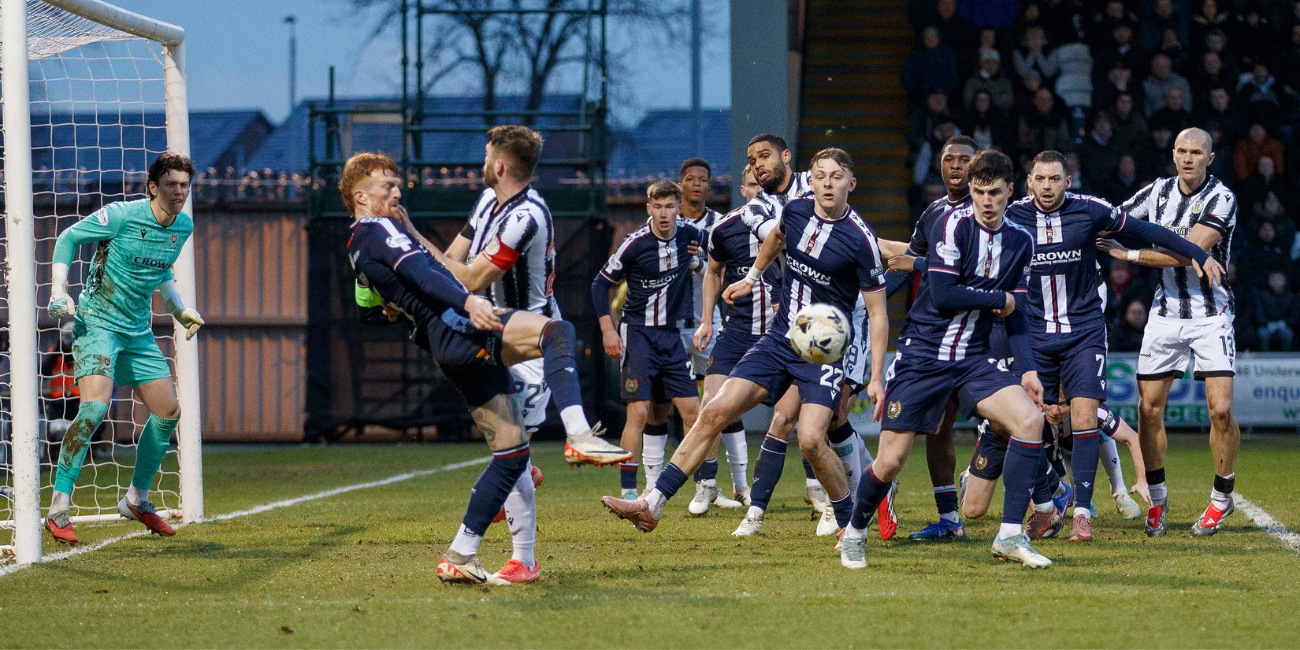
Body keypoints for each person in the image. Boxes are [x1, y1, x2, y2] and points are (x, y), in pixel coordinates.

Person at [601, 148, 890, 540]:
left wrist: (875, 377)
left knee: (809, 439)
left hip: (823, 351)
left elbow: (877, 312)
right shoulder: (798, 211)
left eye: (835, 177)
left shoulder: (860, 239)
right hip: (778, 339)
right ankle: (652, 504)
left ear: (850, 184)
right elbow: (776, 238)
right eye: (820, 175)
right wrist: (752, 278)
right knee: (714, 410)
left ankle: (848, 520)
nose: (826, 183)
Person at [346, 152, 562, 585]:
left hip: (447, 338)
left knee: (514, 451)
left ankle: (465, 554)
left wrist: (394, 306)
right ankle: (578, 434)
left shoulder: (361, 240)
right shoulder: (379, 227)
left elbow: (369, 306)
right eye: (386, 185)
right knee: (559, 337)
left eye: (397, 183)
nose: (397, 190)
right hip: (466, 330)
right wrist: (467, 300)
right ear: (360, 196)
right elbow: (424, 275)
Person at [841, 150, 1051, 569]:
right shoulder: (952, 226)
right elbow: (943, 293)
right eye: (978, 192)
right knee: (891, 460)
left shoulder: (1021, 241)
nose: (986, 201)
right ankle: (854, 532)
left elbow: (1018, 315)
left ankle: (1010, 536)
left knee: (1031, 420)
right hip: (924, 356)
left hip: (973, 359)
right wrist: (1002, 299)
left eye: (994, 192)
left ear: (1011, 190)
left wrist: (1027, 368)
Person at [1005, 149, 1220, 541]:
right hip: (1035, 334)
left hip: (1084, 332)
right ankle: (1048, 505)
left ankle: (1082, 514)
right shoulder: (1012, 215)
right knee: (1036, 421)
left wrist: (1195, 252)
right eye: (1041, 179)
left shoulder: (1090, 209)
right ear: (1030, 182)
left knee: (1085, 417)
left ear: (1068, 182)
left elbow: (1145, 230)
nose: (1048, 186)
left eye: (1056, 179)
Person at [426, 125, 630, 467]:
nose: (483, 163)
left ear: (501, 166)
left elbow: (472, 277)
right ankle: (562, 449)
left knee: (513, 451)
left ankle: (572, 441)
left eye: (488, 157)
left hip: (528, 339)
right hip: (489, 324)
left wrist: (414, 241)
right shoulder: (489, 199)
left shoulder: (526, 216)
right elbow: (453, 259)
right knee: (511, 455)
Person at [42, 152, 205, 546]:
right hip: (97, 323)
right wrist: (59, 292)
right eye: (171, 184)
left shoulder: (183, 226)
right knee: (95, 407)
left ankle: (136, 499)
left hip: (137, 330)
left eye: (184, 184)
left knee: (168, 412)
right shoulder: (122, 215)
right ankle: (58, 507)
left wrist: (178, 308)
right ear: (153, 187)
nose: (179, 191)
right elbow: (67, 238)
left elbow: (161, 268)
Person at [1100, 127, 1241, 537]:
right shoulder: (1157, 192)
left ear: (1210, 158)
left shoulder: (1222, 198)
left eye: (1196, 152)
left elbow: (1187, 251)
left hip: (1211, 312)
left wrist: (1125, 252)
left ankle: (1221, 497)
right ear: (1173, 153)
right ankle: (1158, 499)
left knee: (1219, 409)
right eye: (1181, 150)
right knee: (1148, 409)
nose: (1188, 157)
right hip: (1165, 316)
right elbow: (1115, 219)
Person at [879, 135, 978, 541]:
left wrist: (917, 261)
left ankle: (1053, 495)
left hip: (978, 338)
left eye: (964, 160)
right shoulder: (933, 212)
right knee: (937, 430)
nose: (955, 166)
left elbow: (970, 267)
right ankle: (950, 519)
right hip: (931, 337)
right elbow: (902, 269)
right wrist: (868, 302)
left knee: (1010, 424)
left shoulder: (988, 213)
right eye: (948, 159)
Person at [590, 181, 705, 499]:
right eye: (657, 207)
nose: (664, 214)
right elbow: (599, 285)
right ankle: (628, 490)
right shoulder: (635, 244)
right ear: (648, 209)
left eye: (670, 206)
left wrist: (698, 262)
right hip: (638, 333)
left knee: (694, 413)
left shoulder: (691, 235)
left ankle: (700, 485)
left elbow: (713, 263)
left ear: (679, 207)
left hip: (670, 334)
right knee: (639, 412)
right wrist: (608, 330)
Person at [676, 157, 746, 515]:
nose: (697, 185)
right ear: (681, 185)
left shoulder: (721, 224)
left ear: (710, 186)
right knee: (659, 407)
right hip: (671, 327)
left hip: (713, 322)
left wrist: (701, 264)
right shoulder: (664, 222)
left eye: (703, 179)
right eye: (691, 179)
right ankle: (686, 483)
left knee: (724, 403)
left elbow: (727, 271)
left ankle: (739, 485)